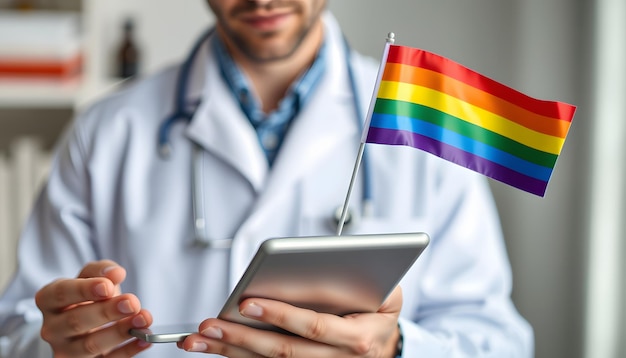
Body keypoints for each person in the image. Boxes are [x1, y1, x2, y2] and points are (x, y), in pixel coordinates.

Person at [0, 0, 534, 357]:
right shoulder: (107, 129)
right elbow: (18, 329)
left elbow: (499, 341)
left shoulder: (421, 121)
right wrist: (56, 342)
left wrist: (396, 347)